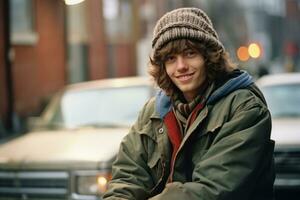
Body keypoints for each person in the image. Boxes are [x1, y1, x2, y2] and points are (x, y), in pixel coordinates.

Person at [103, 7, 275, 200]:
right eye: (171, 58)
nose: (181, 66)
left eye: (190, 53)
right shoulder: (153, 111)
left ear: (209, 56)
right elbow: (127, 178)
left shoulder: (244, 108)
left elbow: (211, 189)